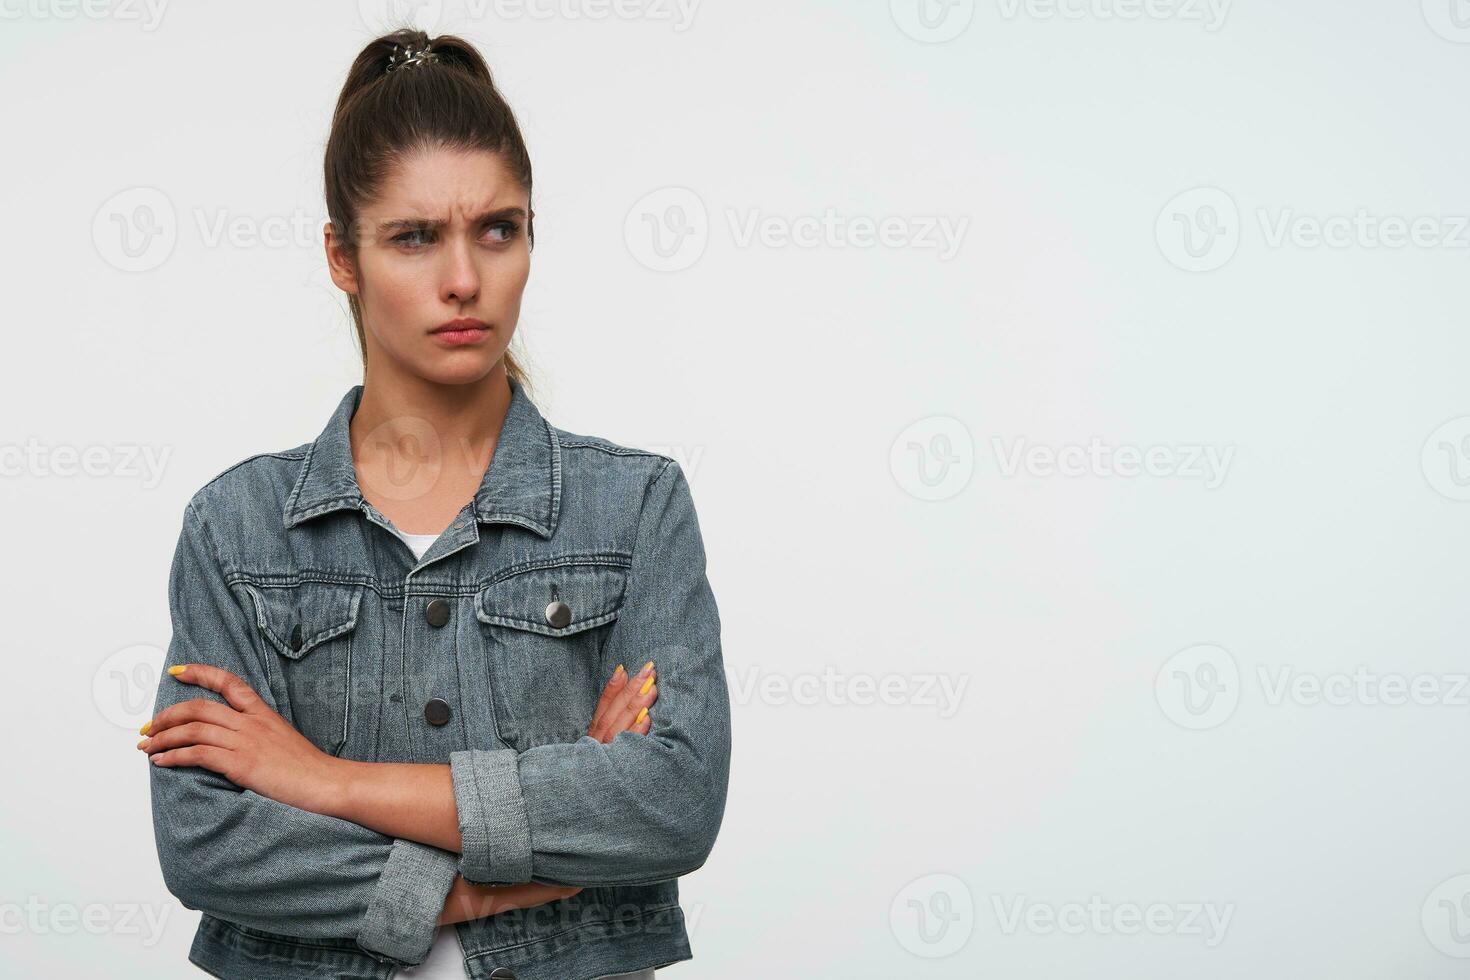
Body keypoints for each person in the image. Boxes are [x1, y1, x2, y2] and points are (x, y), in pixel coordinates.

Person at [139, 28, 731, 980]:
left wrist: (318, 780)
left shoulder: (636, 508)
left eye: (498, 228)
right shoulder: (236, 527)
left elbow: (672, 801)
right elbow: (208, 842)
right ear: (343, 256)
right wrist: (497, 869)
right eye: (415, 237)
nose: (465, 278)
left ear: (532, 236)